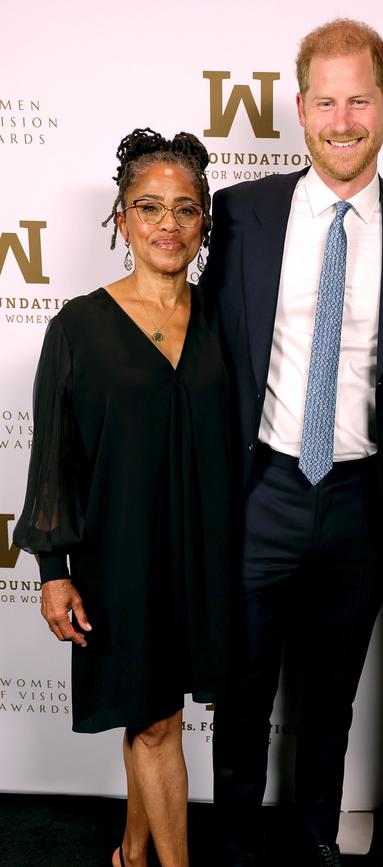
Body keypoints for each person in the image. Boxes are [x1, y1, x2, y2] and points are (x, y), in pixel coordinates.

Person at [199, 18, 383, 867]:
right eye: (325, 101)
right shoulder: (239, 215)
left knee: (333, 696)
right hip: (261, 488)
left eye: (359, 100)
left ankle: (313, 840)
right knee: (242, 693)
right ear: (300, 110)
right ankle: (232, 843)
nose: (342, 120)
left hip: (360, 500)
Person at [13, 128, 235, 867]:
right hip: (118, 558)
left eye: (185, 209)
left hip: (205, 554)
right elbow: (53, 458)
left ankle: (132, 850)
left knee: (157, 715)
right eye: (149, 208)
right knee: (155, 725)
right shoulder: (78, 325)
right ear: (121, 219)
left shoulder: (223, 320)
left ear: (204, 222)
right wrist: (53, 568)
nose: (168, 225)